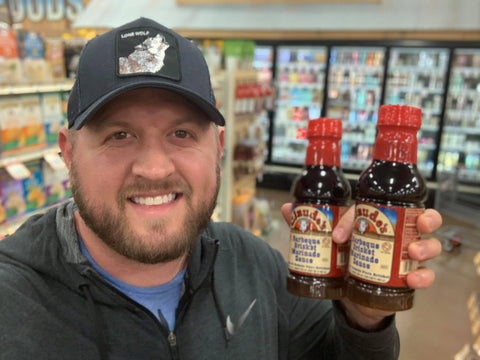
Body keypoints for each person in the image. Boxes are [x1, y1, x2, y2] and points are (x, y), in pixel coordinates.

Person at [0, 17, 442, 360]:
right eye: (119, 135)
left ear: (220, 149)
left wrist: (362, 318)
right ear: (69, 153)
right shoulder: (13, 299)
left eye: (182, 134)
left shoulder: (256, 265)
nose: (154, 169)